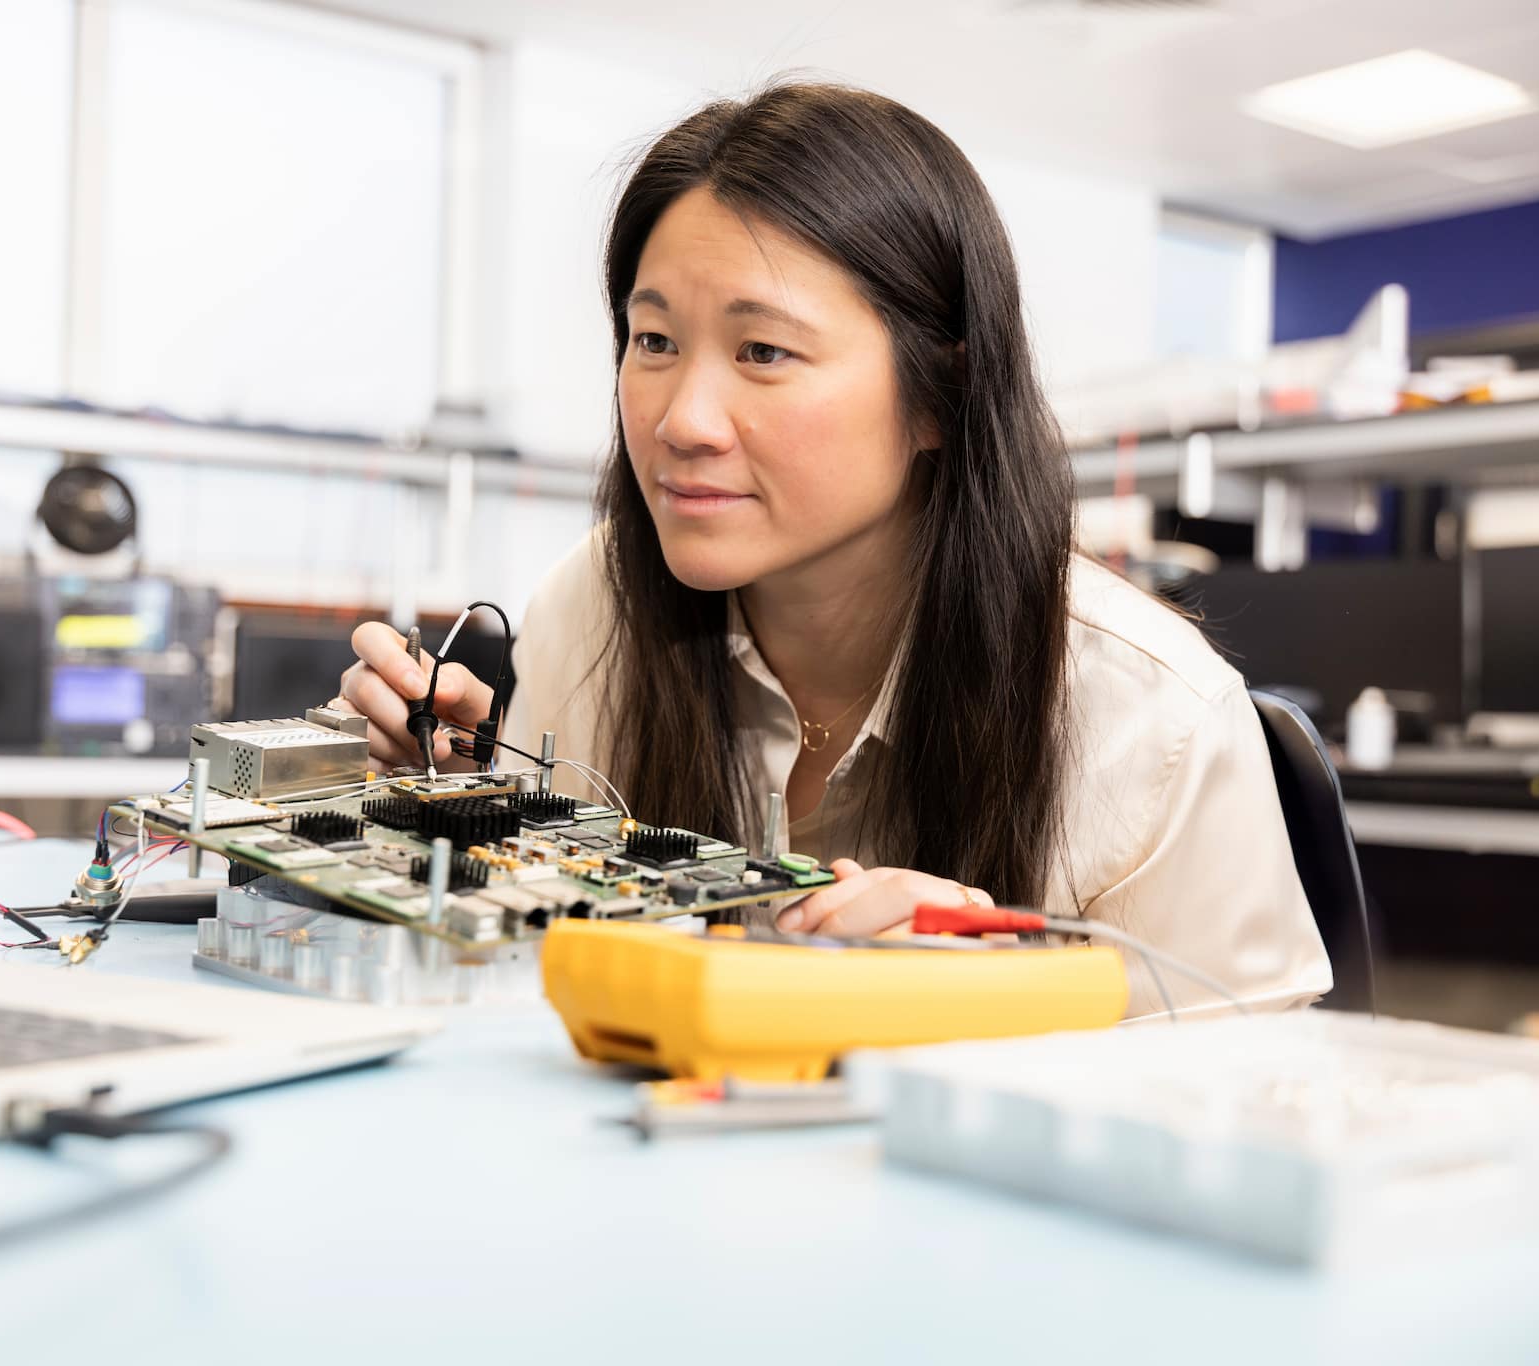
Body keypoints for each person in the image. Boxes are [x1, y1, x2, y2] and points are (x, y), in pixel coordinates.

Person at [331, 82, 1330, 1016]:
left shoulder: (1150, 726)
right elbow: (530, 977)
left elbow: (1262, 1115)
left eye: (761, 352)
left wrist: (1007, 1011)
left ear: (938, 393)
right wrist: (459, 809)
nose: (683, 419)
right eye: (653, 341)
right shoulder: (591, 608)